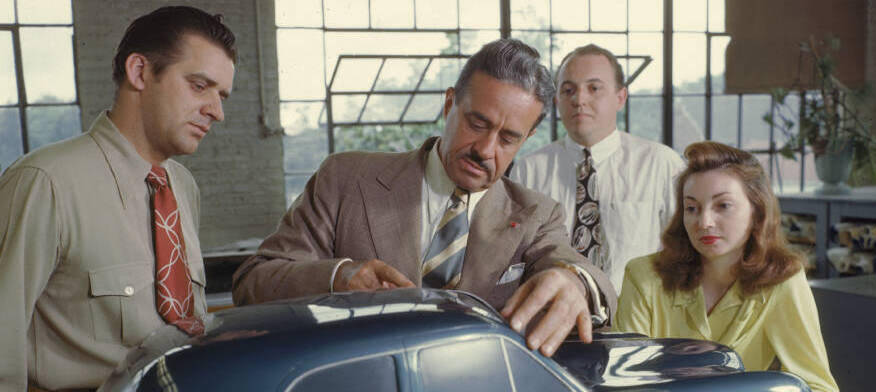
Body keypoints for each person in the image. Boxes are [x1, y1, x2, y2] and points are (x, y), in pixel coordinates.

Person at [233, 39, 617, 357]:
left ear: (527, 139)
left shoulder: (536, 214)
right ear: (449, 104)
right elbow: (253, 282)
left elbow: (579, 271)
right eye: (477, 123)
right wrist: (338, 278)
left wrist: (575, 282)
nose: (485, 149)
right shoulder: (346, 179)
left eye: (507, 138)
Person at [0, 6, 236, 392]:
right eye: (201, 86)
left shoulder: (182, 187)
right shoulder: (44, 183)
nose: (217, 111)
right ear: (140, 72)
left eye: (222, 96)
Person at [612, 141, 839, 392]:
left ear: (757, 211)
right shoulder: (643, 276)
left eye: (723, 206)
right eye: (691, 208)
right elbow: (623, 386)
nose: (704, 222)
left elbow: (819, 389)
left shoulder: (783, 280)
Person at [510, 44, 683, 293]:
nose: (579, 100)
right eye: (568, 90)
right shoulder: (528, 170)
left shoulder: (661, 164)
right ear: (557, 100)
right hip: (552, 316)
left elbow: (684, 254)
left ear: (620, 98)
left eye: (594, 88)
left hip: (639, 320)